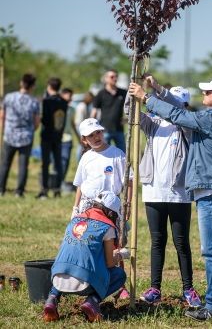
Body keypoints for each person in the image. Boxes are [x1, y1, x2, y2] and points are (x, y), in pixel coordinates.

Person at [129, 74, 212, 321]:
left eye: (207, 92)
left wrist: (146, 97)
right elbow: (181, 109)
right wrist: (160, 90)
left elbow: (179, 115)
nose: (203, 96)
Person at [125, 81, 201, 307]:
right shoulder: (154, 123)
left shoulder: (188, 126)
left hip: (178, 194)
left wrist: (157, 89)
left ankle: (188, 289)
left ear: (184, 106)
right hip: (153, 192)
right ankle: (155, 288)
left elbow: (176, 108)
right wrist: (132, 93)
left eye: (179, 104)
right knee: (157, 241)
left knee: (181, 242)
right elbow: (131, 113)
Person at [42, 192, 128, 323]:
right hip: (84, 283)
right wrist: (122, 254)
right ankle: (92, 301)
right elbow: (110, 263)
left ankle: (51, 299)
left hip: (57, 278)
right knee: (119, 275)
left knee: (68, 265)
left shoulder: (74, 220)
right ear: (111, 213)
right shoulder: (107, 227)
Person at [71, 117, 133, 299]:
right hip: (88, 209)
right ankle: (93, 281)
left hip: (111, 209)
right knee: (91, 245)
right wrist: (75, 208)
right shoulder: (86, 158)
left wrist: (128, 205)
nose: (96, 137)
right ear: (84, 140)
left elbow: (129, 181)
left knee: (116, 244)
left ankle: (119, 285)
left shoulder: (117, 154)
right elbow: (80, 184)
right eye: (91, 135)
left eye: (98, 132)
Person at [0, 74, 40, 198]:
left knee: (5, 163)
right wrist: (31, 130)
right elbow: (37, 121)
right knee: (23, 166)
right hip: (26, 137)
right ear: (32, 86)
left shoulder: (9, 97)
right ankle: (19, 191)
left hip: (9, 135)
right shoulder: (34, 101)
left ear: (21, 83)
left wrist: (3, 131)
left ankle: (1, 189)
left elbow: (2, 116)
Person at [36, 77, 68, 199]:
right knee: (58, 163)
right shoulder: (64, 102)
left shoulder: (46, 101)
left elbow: (44, 119)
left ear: (49, 86)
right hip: (58, 135)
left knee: (45, 163)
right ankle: (57, 189)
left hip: (47, 136)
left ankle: (44, 189)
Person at [91, 70, 127, 152]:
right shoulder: (101, 93)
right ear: (106, 79)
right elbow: (94, 111)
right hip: (105, 130)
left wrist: (127, 119)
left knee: (122, 154)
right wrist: (92, 128)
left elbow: (129, 107)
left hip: (119, 129)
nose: (115, 78)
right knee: (104, 153)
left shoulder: (123, 92)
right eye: (112, 77)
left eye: (116, 76)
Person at [60, 88, 80, 182]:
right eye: (69, 95)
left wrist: (79, 138)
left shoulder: (72, 109)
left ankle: (61, 181)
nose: (71, 98)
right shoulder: (57, 108)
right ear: (63, 95)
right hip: (56, 139)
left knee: (65, 162)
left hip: (67, 139)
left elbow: (72, 124)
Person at [74, 91, 94, 160]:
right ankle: (79, 160)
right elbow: (79, 121)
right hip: (80, 128)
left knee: (84, 145)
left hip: (82, 128)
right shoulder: (82, 106)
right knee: (81, 145)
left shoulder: (86, 106)